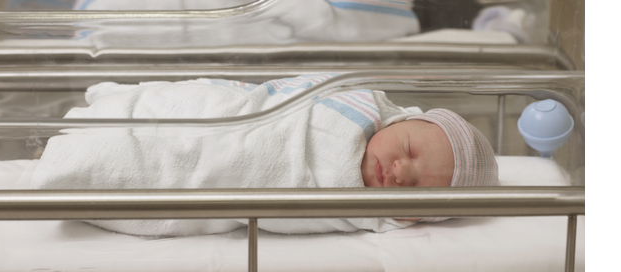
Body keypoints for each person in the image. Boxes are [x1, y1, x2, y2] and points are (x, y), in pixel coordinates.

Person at [32, 74, 498, 236]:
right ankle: (124, 111)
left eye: (416, 190)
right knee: (186, 113)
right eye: (410, 151)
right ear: (399, 121)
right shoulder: (356, 106)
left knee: (150, 162)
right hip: (234, 115)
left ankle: (86, 161)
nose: (400, 173)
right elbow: (275, 97)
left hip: (208, 173)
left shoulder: (361, 209)